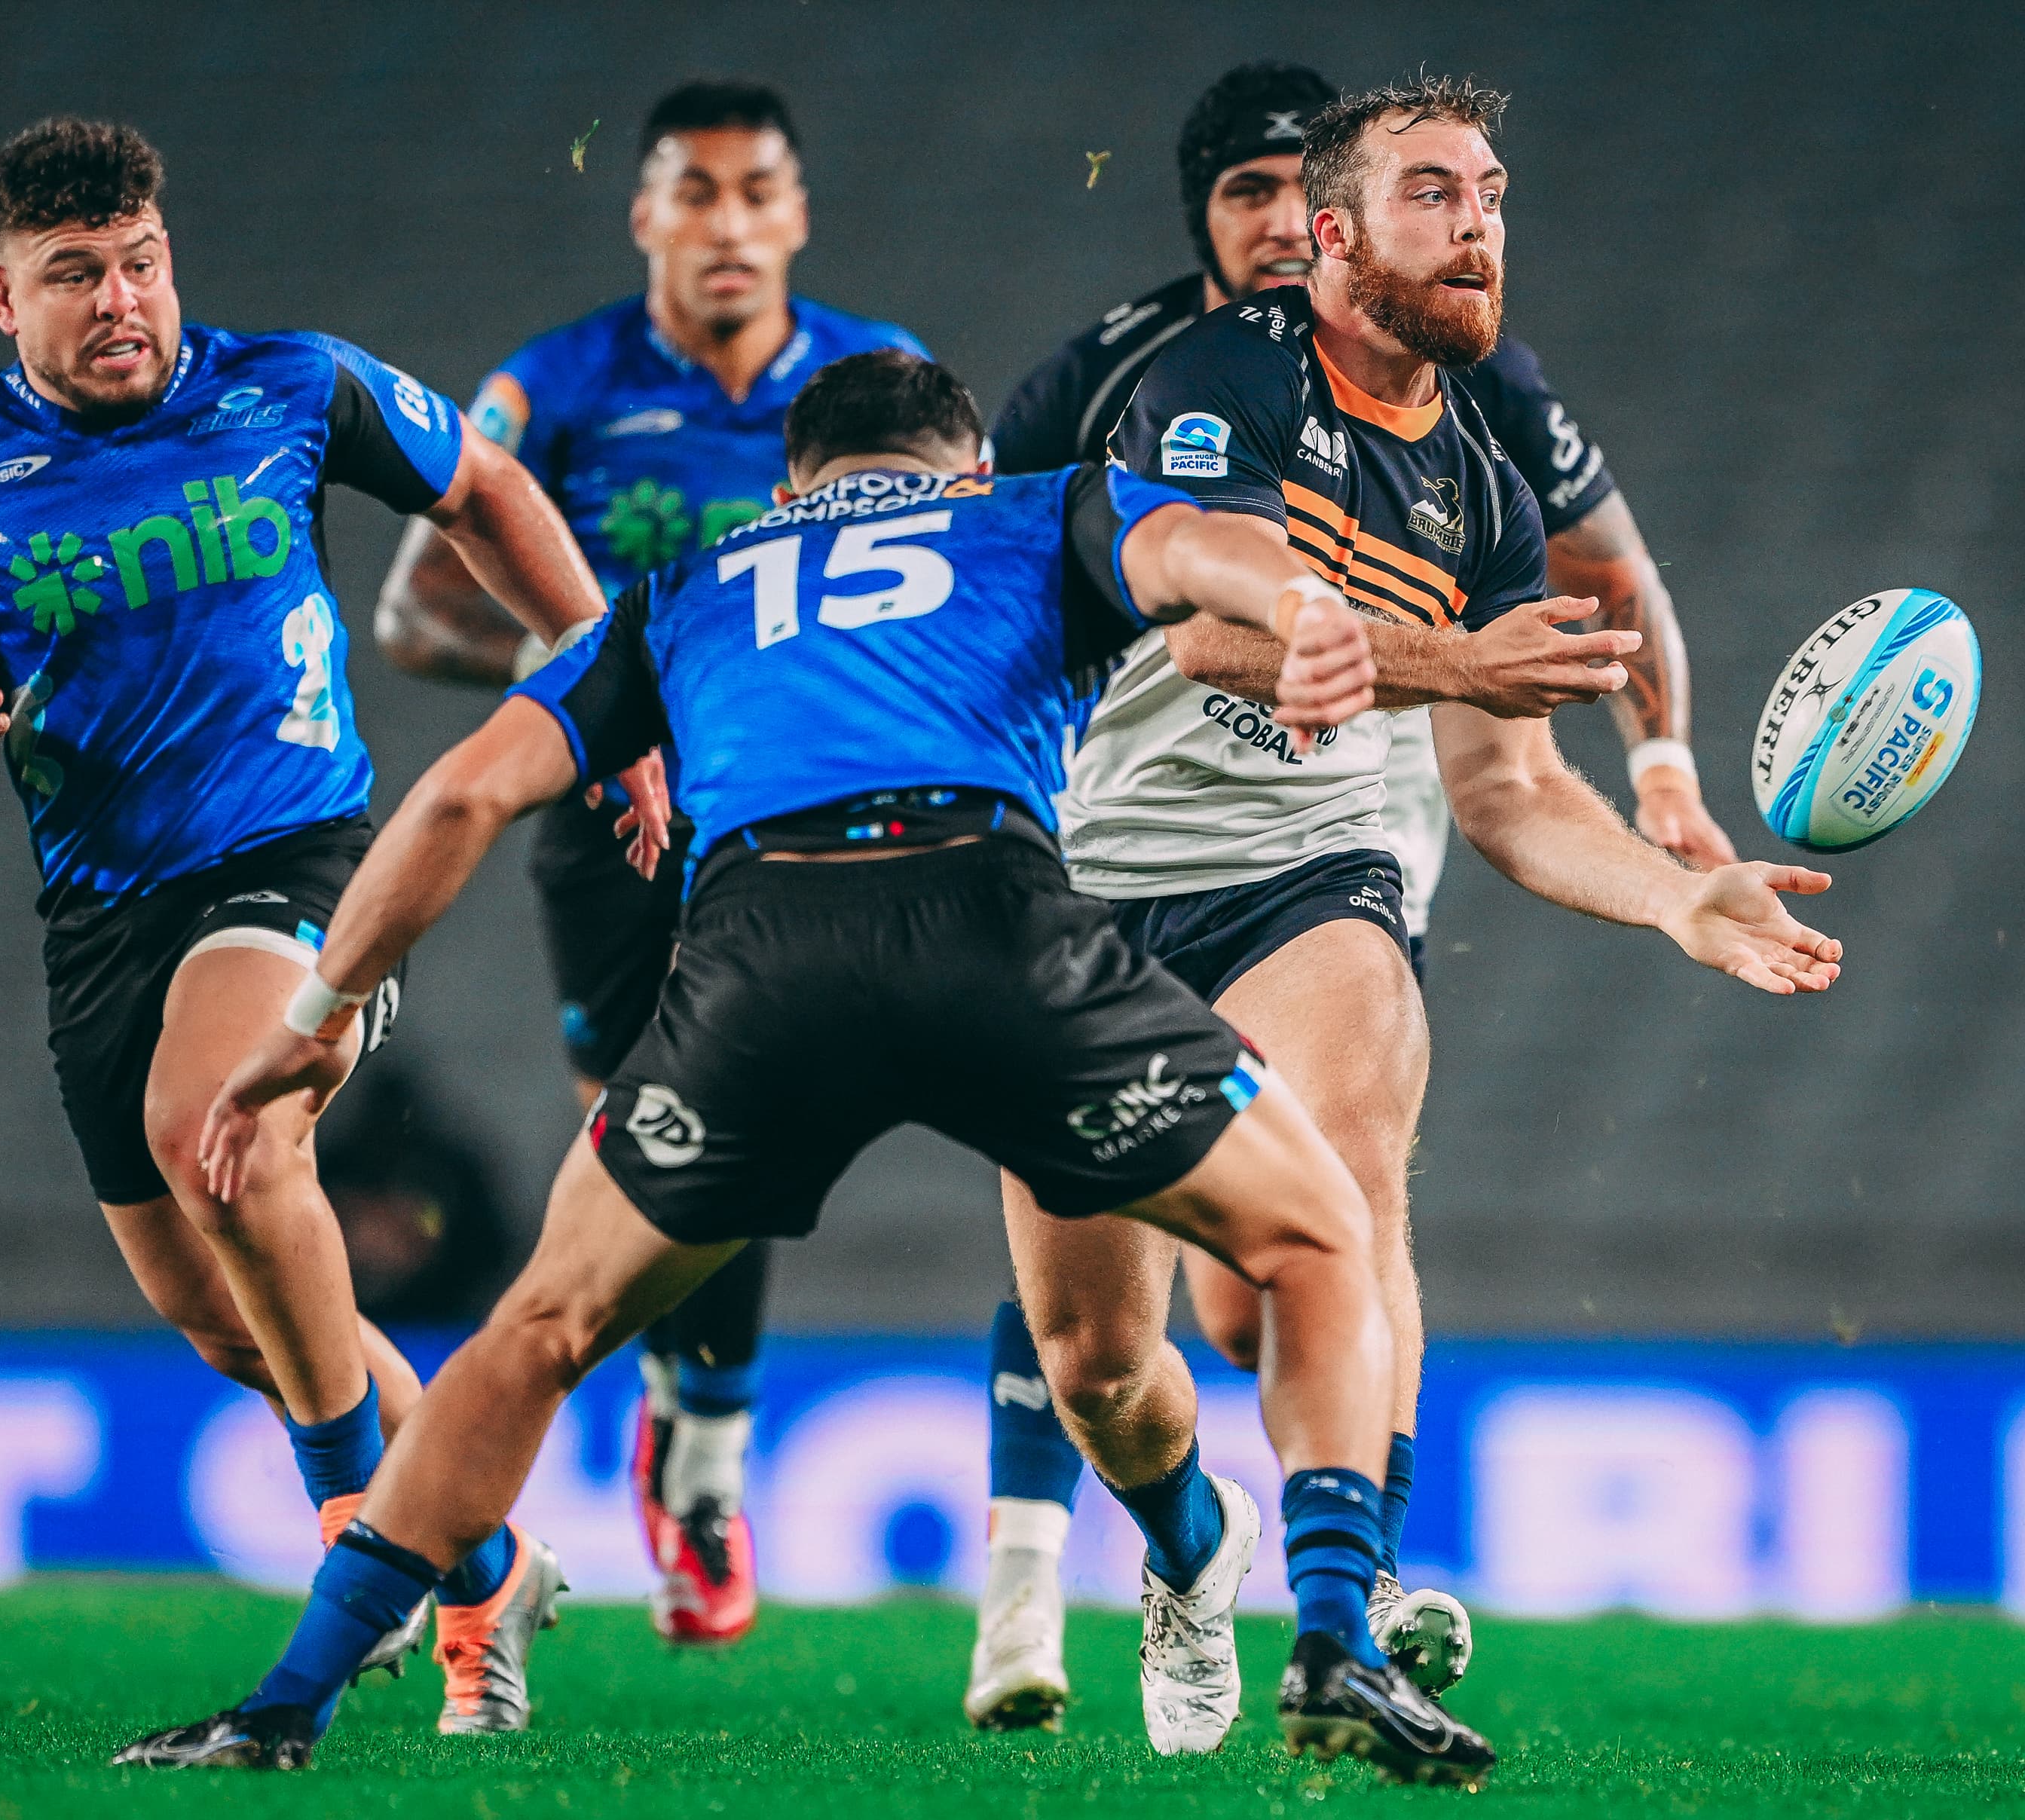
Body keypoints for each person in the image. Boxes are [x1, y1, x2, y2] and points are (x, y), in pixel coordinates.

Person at [114, 348, 1505, 1782]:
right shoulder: (1028, 513)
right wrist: (1301, 604)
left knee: (538, 1334)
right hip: (996, 928)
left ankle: (286, 1702)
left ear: (791, 488)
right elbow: (1197, 546)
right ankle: (1334, 1639)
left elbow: (466, 791)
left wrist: (309, 1023)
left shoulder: (692, 585)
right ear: (966, 469)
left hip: (760, 966)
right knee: (1320, 1235)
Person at [965, 74, 1840, 1734]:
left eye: (1491, 193)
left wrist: (1674, 896)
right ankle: (1183, 1545)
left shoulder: (1484, 493)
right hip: (1080, 888)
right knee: (1105, 1365)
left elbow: (1504, 790)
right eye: (1434, 193)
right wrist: (1452, 658)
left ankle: (1334, 1624)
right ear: (1333, 236)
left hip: (1299, 877)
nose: (1478, 224)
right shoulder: (1204, 383)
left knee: (1350, 1195)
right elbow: (1213, 636)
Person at [0, 115, 635, 1736]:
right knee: (231, 1318)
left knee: (219, 1121)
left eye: (138, 260)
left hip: (294, 864)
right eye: (72, 275)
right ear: (3, 300)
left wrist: (601, 679)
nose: (120, 299)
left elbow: (481, 484)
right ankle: (483, 1555)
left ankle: (357, 1538)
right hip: (98, 912)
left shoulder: (289, 384)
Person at [372, 79, 925, 1645]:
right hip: (609, 830)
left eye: (758, 190)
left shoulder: (885, 386)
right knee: (650, 1144)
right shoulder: (549, 389)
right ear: (644, 217)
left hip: (791, 819)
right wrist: (616, 682)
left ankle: (705, 1458)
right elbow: (414, 616)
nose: (729, 222)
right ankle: (682, 1422)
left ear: (797, 214)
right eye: (695, 192)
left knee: (742, 1122)